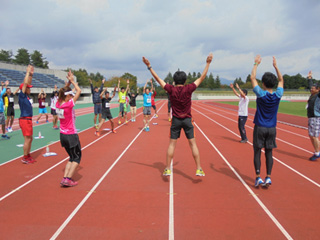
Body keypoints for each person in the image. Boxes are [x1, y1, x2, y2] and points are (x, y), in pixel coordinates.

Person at [142, 53, 213, 176]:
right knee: (193, 144)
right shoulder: (189, 88)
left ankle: (167, 168)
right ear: (185, 80)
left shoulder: (171, 89)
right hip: (187, 120)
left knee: (172, 145)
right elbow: (202, 77)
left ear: (174, 81)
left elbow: (158, 79)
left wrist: (149, 67)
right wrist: (208, 63)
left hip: (175, 120)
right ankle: (199, 168)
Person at [250, 55, 284, 188]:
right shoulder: (278, 95)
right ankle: (268, 177)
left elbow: (252, 78)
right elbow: (281, 79)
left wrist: (256, 64)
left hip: (260, 127)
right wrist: (276, 66)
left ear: (263, 83)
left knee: (257, 152)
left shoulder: (260, 94)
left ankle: (258, 176)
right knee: (269, 152)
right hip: (272, 128)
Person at [56, 70, 82, 187]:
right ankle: (68, 179)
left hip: (62, 135)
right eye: (70, 95)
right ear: (67, 96)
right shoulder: (68, 104)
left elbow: (62, 92)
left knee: (71, 156)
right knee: (77, 157)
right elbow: (79, 91)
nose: (72, 96)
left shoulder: (58, 103)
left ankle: (65, 178)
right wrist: (73, 82)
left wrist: (68, 84)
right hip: (71, 134)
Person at [19, 65, 35, 163]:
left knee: (30, 138)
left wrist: (31, 76)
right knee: (27, 139)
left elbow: (27, 83)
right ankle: (25, 157)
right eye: (28, 88)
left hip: (28, 119)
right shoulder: (22, 96)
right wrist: (27, 72)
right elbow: (25, 84)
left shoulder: (27, 97)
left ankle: (28, 155)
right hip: (25, 119)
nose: (30, 89)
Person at [306, 71, 320, 161]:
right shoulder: (312, 94)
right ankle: (316, 151)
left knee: (314, 136)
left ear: (318, 90)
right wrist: (310, 78)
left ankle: (317, 152)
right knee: (311, 135)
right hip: (311, 117)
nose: (311, 89)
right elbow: (311, 85)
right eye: (311, 88)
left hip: (316, 117)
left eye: (313, 88)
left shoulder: (318, 96)